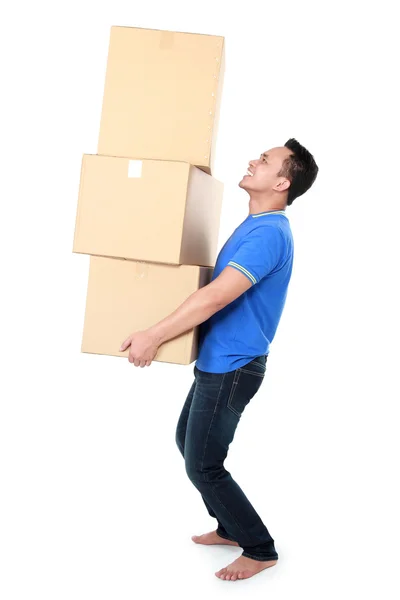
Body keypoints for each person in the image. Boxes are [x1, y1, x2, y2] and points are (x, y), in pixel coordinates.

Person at [120, 138, 319, 581]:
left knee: (203, 463)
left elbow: (215, 296)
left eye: (265, 160)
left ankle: (260, 548)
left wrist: (154, 334)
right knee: (187, 443)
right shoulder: (255, 224)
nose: (253, 160)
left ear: (283, 182)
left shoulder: (269, 232)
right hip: (219, 360)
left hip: (235, 366)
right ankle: (229, 527)